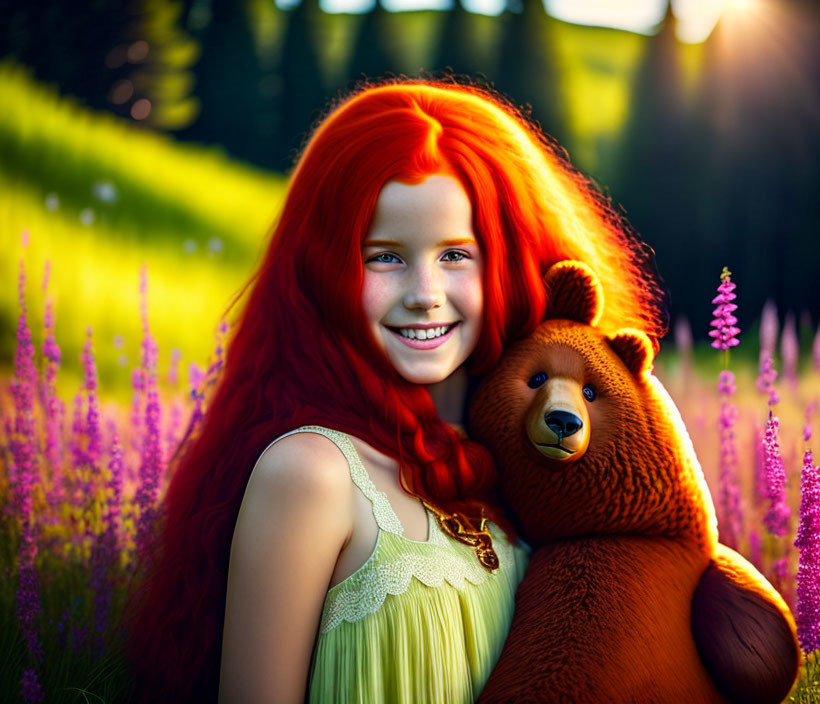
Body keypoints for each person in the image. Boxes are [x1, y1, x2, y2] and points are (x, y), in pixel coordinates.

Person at [123, 75, 668, 703]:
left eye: (457, 255)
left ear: (510, 265)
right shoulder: (312, 474)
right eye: (384, 256)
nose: (424, 294)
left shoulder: (539, 472)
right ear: (327, 271)